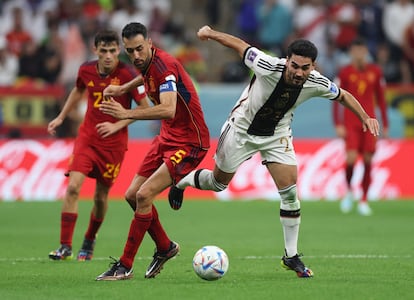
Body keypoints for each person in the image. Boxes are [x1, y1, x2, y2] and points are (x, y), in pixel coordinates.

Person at [168, 25, 381, 278]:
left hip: (277, 135)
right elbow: (239, 45)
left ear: (313, 67)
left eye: (305, 67)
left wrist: (365, 117)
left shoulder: (316, 81)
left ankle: (290, 256)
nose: (299, 72)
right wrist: (210, 33)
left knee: (290, 192)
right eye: (295, 66)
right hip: (241, 131)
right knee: (217, 183)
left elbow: (343, 95)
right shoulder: (267, 65)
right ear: (287, 61)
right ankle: (181, 182)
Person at [95, 22, 210, 280]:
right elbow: (146, 75)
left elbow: (168, 109)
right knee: (132, 195)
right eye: (129, 51)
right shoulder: (148, 64)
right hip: (167, 136)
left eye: (139, 49)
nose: (135, 56)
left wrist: (126, 112)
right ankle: (165, 247)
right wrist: (125, 89)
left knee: (145, 195)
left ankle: (124, 265)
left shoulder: (164, 66)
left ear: (149, 42)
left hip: (189, 142)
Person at [48, 30, 148, 261]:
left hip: (113, 145)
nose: (108, 56)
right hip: (87, 138)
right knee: (73, 188)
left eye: (113, 51)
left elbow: (144, 108)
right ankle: (65, 246)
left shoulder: (128, 75)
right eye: (103, 51)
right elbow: (78, 90)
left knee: (100, 198)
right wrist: (62, 116)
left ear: (119, 51)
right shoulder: (85, 70)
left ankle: (90, 239)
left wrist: (117, 125)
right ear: (96, 50)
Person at [333, 38, 388, 216]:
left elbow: (381, 99)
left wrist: (385, 123)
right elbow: (336, 98)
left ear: (366, 52)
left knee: (367, 160)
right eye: (355, 51)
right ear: (351, 52)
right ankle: (349, 192)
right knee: (350, 159)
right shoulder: (345, 72)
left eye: (361, 50)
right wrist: (338, 123)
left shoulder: (376, 72)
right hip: (351, 122)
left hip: (370, 121)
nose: (359, 54)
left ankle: (364, 199)